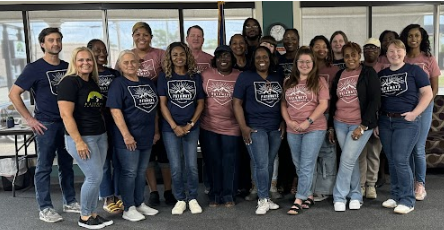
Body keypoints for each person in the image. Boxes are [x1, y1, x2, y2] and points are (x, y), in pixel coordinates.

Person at [8, 27, 80, 223]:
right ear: (43, 44)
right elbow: (13, 94)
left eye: (58, 40)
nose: (55, 43)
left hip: (67, 123)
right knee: (44, 167)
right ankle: (45, 207)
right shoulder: (34, 68)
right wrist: (30, 120)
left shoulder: (68, 66)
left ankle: (70, 201)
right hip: (46, 124)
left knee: (67, 165)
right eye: (50, 40)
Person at [58, 47, 112, 229]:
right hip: (82, 138)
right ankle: (85, 217)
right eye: (81, 60)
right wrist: (78, 141)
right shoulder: (69, 83)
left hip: (99, 136)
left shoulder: (92, 82)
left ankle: (93, 213)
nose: (86, 63)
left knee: (98, 175)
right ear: (74, 62)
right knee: (94, 176)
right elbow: (66, 115)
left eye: (89, 60)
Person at [376, 39, 432, 214]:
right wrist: (377, 122)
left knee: (401, 160)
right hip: (385, 121)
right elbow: (378, 101)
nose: (395, 54)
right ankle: (395, 196)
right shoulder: (382, 74)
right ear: (386, 55)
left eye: (398, 51)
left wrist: (415, 113)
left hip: (406, 122)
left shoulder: (415, 70)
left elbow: (428, 93)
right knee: (392, 161)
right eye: (391, 51)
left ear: (404, 53)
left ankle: (408, 200)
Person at [124, 22, 174, 207]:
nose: (141, 38)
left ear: (151, 37)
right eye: (137, 34)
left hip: (161, 111)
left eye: (145, 34)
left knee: (164, 155)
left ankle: (168, 190)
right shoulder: (128, 56)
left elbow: (170, 76)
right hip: (139, 113)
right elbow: (121, 80)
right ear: (133, 37)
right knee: (147, 155)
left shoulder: (160, 54)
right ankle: (153, 191)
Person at [106, 50, 160, 221]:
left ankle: (139, 203)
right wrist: (126, 135)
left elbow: (155, 109)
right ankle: (128, 207)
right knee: (129, 172)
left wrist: (156, 130)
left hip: (147, 135)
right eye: (126, 62)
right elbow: (115, 111)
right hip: (128, 138)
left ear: (139, 64)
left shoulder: (147, 82)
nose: (130, 65)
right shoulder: (118, 84)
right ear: (120, 66)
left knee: (141, 171)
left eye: (133, 61)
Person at [329, 42, 381, 212]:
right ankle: (356, 195)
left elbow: (375, 100)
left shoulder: (368, 73)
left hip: (360, 124)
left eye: (353, 55)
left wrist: (363, 125)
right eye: (347, 55)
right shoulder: (339, 75)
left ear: (359, 56)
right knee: (349, 160)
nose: (350, 58)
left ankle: (339, 196)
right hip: (340, 122)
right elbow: (333, 101)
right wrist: (331, 126)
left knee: (346, 160)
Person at [233, 46, 283, 215]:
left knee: (269, 163)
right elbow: (236, 104)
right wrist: (243, 127)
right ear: (253, 60)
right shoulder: (245, 77)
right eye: (258, 57)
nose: (262, 60)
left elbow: (285, 101)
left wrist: (283, 121)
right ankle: (262, 198)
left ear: (270, 59)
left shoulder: (278, 76)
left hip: (275, 127)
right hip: (255, 127)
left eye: (265, 57)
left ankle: (266, 197)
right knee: (261, 163)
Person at [157, 42, 205, 215]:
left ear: (187, 56)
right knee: (176, 166)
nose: (179, 58)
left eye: (182, 54)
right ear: (170, 57)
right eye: (175, 54)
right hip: (171, 128)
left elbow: (200, 103)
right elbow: (162, 104)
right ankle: (180, 199)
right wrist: (174, 126)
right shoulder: (164, 77)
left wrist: (190, 124)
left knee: (191, 165)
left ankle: (192, 197)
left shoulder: (195, 76)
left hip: (191, 127)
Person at [281, 46, 329, 215]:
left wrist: (308, 121)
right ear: (296, 63)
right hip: (293, 128)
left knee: (307, 163)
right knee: (299, 164)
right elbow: (283, 105)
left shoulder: (319, 81)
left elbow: (323, 104)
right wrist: (288, 121)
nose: (304, 64)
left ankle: (299, 199)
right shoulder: (288, 81)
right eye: (301, 61)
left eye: (308, 61)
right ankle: (308, 194)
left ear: (313, 63)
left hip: (314, 128)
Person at [400, 24, 440, 201]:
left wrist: (421, 108)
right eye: (410, 36)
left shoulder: (429, 59)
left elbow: (435, 88)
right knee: (406, 148)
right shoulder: (403, 58)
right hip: (405, 109)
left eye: (416, 35)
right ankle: (408, 182)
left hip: (424, 108)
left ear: (422, 38)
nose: (413, 39)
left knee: (418, 148)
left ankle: (420, 184)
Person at [200, 45, 241, 207]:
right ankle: (215, 194)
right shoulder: (205, 75)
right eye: (220, 56)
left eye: (227, 56)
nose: (223, 59)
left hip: (232, 127)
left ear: (233, 59)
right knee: (213, 161)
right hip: (209, 126)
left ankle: (229, 194)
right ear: (215, 60)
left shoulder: (240, 76)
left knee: (230, 161)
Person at [86, 39, 122, 214]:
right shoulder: (87, 75)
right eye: (97, 50)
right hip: (97, 124)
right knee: (104, 162)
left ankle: (118, 194)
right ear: (89, 53)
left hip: (116, 122)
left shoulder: (115, 74)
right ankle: (107, 196)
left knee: (118, 159)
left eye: (104, 51)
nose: (101, 54)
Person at [309, 35, 340, 202]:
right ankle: (310, 187)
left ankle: (325, 189)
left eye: (324, 46)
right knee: (310, 153)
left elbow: (336, 97)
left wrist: (332, 123)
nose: (321, 49)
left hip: (328, 115)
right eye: (317, 46)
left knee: (327, 152)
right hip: (308, 117)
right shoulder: (307, 68)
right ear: (311, 48)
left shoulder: (334, 70)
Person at [359, 38, 388, 199]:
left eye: (374, 48)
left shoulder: (384, 69)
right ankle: (361, 185)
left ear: (379, 51)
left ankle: (371, 185)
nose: (370, 50)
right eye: (367, 47)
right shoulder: (358, 68)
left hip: (378, 117)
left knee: (374, 154)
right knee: (361, 155)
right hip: (360, 118)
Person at [186, 25, 213, 195]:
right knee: (185, 155)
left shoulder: (210, 59)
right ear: (187, 38)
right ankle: (185, 189)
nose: (196, 38)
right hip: (185, 110)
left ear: (203, 39)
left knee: (207, 151)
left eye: (199, 36)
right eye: (193, 35)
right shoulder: (180, 58)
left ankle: (208, 184)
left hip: (207, 111)